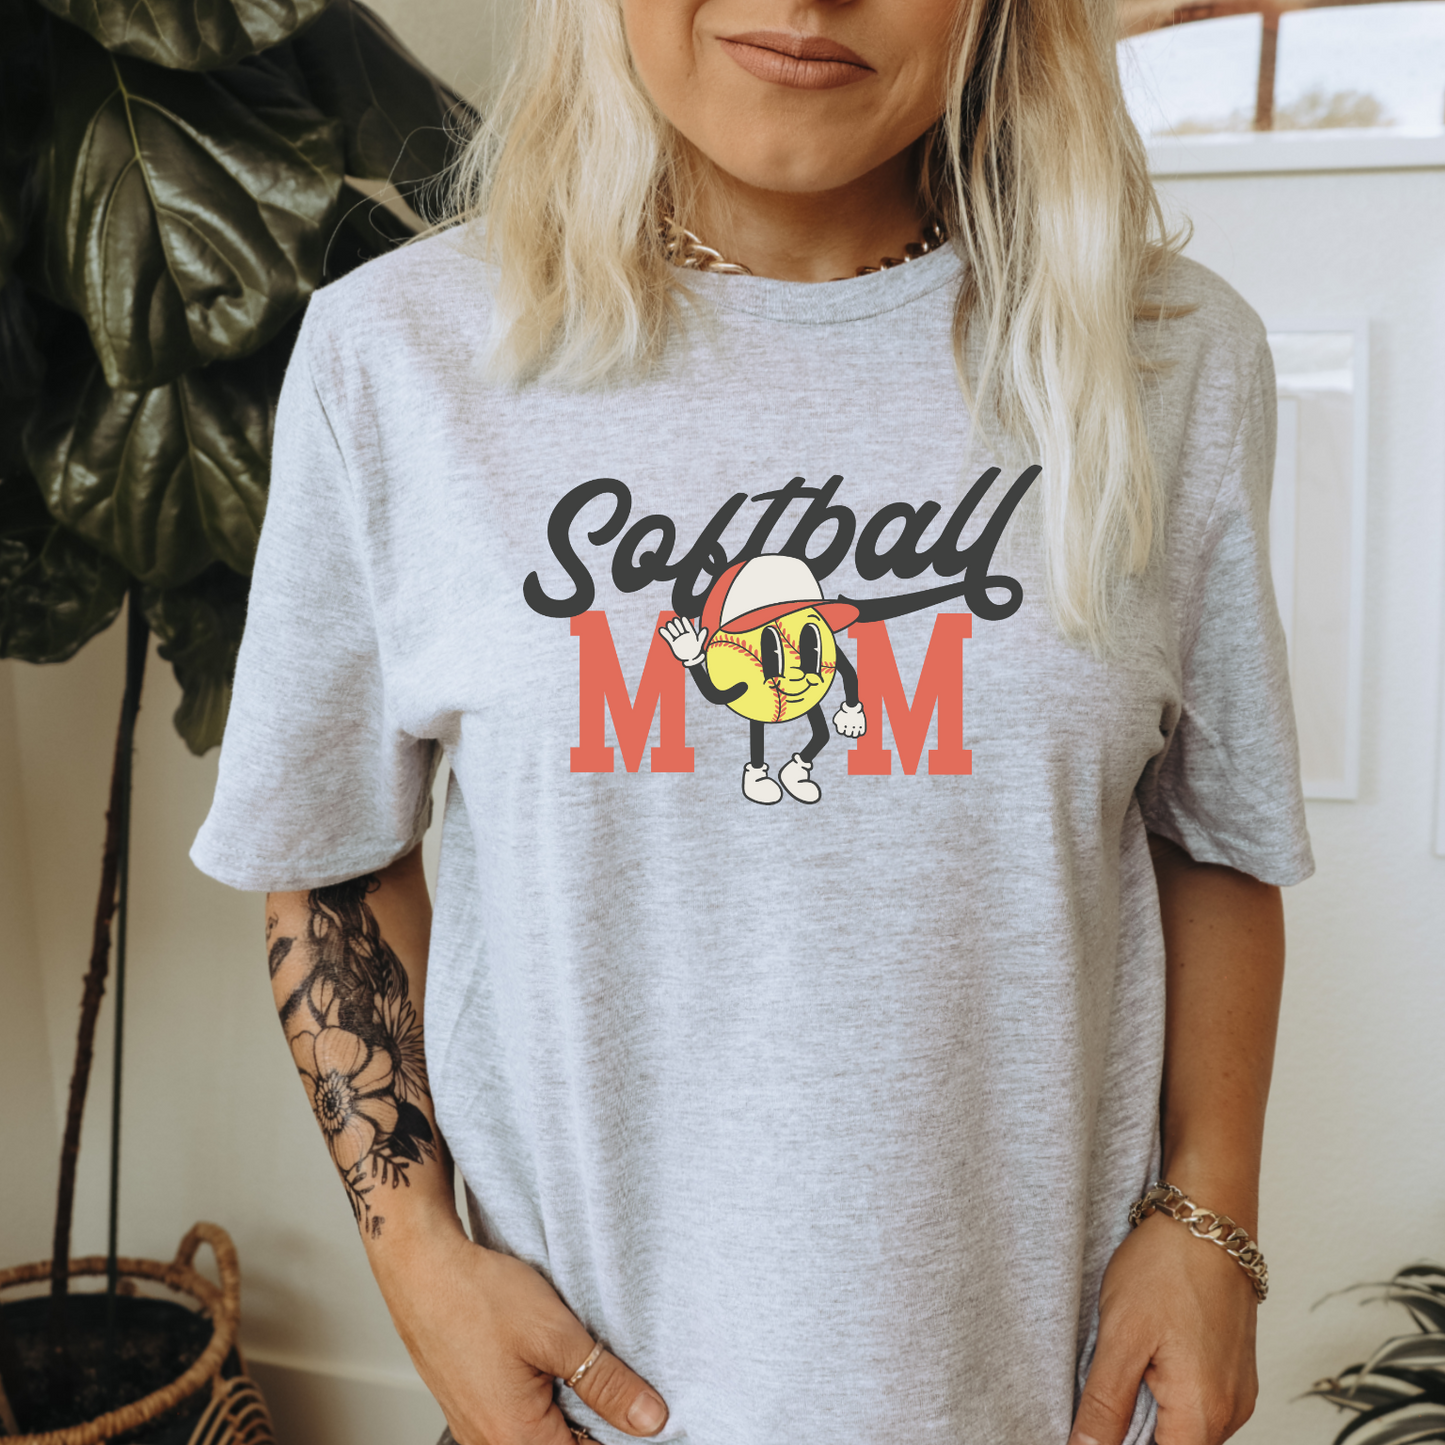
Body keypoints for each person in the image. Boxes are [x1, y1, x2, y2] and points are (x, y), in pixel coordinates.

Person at [191, 0, 1314, 1442]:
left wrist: (1214, 1216)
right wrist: (417, 1259)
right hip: (588, 1412)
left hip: (1049, 1395)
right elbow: (326, 855)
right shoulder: (395, 355)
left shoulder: (1172, 356)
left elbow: (1214, 834)